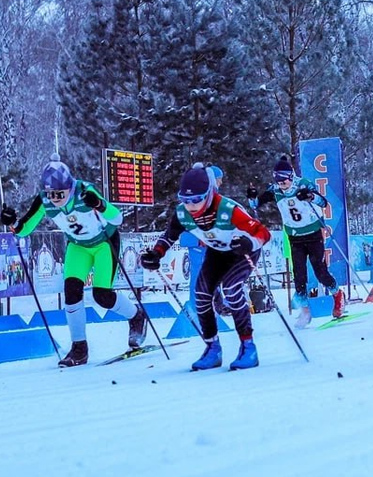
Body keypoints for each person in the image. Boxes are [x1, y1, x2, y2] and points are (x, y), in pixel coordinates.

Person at [0, 154, 147, 367]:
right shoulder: (44, 200)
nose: (55, 199)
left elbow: (117, 218)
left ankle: (136, 316)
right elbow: (24, 230)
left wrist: (99, 204)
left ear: (70, 186)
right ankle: (79, 348)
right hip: (78, 246)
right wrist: (12, 222)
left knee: (102, 296)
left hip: (103, 243)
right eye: (51, 194)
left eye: (60, 193)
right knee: (71, 293)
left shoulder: (84, 191)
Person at [142, 165, 270, 371]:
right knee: (201, 294)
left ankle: (248, 346)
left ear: (209, 195)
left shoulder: (228, 210)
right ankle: (212, 348)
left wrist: (249, 243)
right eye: (185, 200)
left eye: (196, 200)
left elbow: (263, 233)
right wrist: (156, 254)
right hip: (218, 253)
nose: (191, 206)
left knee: (231, 289)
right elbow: (170, 235)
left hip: (241, 251)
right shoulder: (183, 213)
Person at [248, 156, 345, 324]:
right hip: (294, 237)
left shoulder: (303, 183)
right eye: (279, 181)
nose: (282, 185)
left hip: (313, 234)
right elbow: (255, 205)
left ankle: (337, 295)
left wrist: (309, 196)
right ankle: (305, 312)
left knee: (320, 272)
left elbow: (323, 203)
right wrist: (252, 197)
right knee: (299, 276)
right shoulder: (275, 190)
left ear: (291, 177)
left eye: (285, 181)